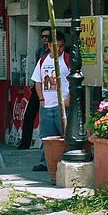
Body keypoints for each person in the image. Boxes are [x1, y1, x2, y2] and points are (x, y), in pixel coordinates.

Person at [30, 32, 70, 172]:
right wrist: (41, 99)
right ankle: (46, 162)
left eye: (61, 46)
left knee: (64, 135)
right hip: (47, 105)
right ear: (49, 46)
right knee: (47, 137)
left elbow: (74, 82)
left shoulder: (67, 59)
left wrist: (68, 100)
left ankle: (64, 159)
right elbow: (38, 81)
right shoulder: (42, 61)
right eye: (56, 46)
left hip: (62, 105)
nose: (59, 49)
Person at [19, 29, 51, 150]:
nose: (44, 39)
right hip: (38, 86)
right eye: (42, 36)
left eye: (47, 37)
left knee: (49, 116)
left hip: (50, 88)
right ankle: (24, 143)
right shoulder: (39, 51)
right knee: (29, 115)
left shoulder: (55, 52)